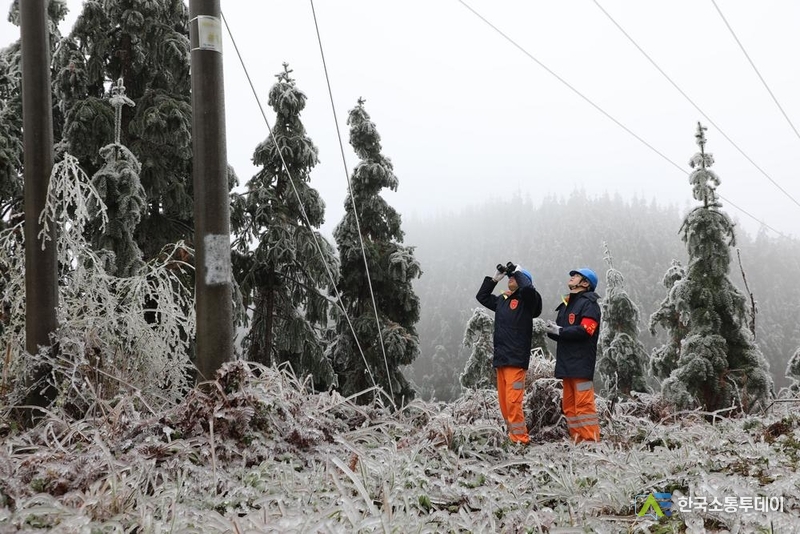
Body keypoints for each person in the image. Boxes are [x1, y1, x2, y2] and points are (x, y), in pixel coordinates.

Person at [476, 261, 543, 445]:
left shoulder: (529, 300)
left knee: (513, 401)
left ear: (523, 280)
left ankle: (521, 440)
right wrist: (494, 279)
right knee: (505, 403)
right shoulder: (502, 300)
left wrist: (517, 271)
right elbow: (482, 296)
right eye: (509, 277)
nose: (510, 279)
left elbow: (528, 289)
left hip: (516, 359)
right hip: (501, 359)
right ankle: (512, 436)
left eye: (514, 277)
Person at [545, 268, 602, 443]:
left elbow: (586, 330)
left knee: (584, 405)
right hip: (566, 363)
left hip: (581, 363)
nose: (572, 277)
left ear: (585, 283)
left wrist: (560, 331)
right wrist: (551, 330)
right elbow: (561, 333)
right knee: (569, 406)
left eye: (576, 276)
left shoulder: (590, 304)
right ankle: (578, 440)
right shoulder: (566, 304)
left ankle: (591, 443)